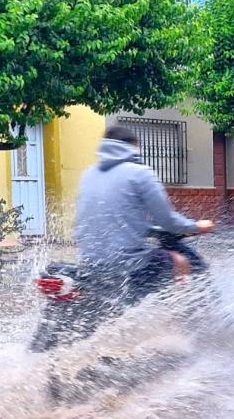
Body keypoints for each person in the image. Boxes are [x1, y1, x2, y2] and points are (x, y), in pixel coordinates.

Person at [74, 126, 214, 300]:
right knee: (180, 261)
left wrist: (142, 226)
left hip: (90, 261)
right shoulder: (140, 173)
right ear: (133, 147)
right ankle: (185, 315)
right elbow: (166, 219)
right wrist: (196, 226)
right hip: (126, 262)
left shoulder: (88, 174)